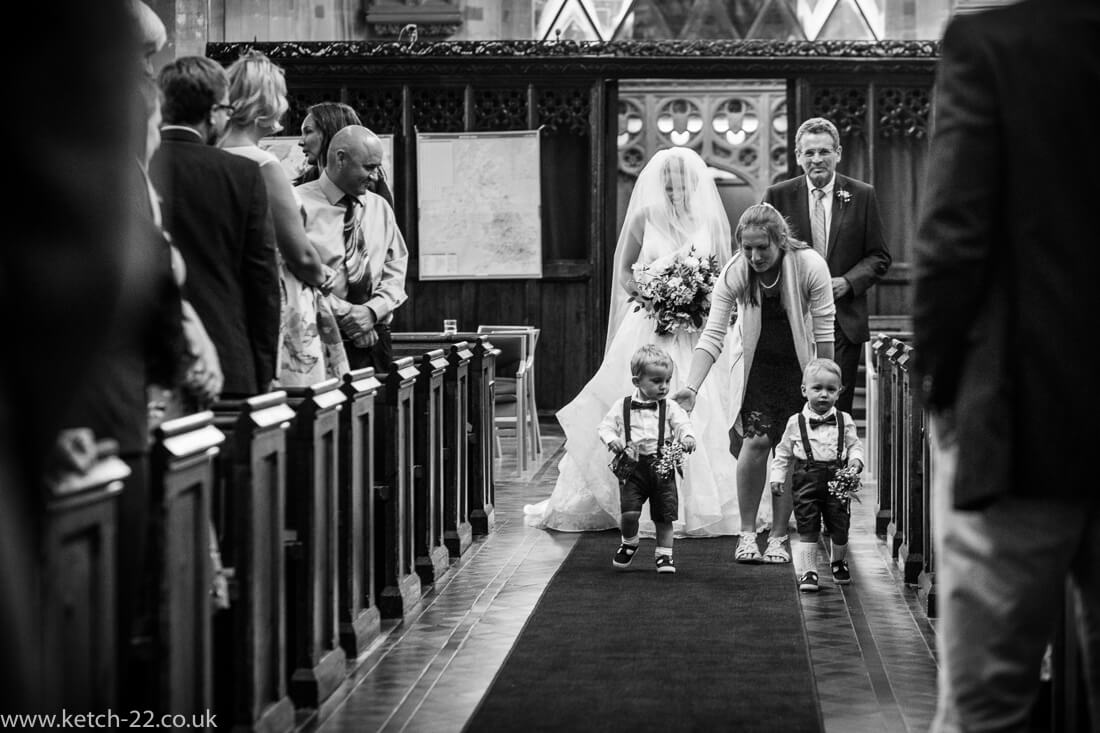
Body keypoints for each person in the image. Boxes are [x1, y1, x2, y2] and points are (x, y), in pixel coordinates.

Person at [912, 2, 1100, 730]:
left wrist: (940, 390)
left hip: (1023, 417)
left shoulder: (996, 45)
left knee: (987, 705)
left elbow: (953, 237)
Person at [525, 147, 741, 538]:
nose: (676, 191)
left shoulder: (710, 219)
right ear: (661, 184)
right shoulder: (645, 216)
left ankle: (701, 504)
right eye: (670, 184)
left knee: (703, 408)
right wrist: (650, 296)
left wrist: (701, 297)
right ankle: (631, 500)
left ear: (694, 183)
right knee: (635, 404)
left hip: (695, 331)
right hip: (652, 326)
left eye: (682, 183)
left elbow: (725, 273)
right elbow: (624, 270)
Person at [673, 203, 835, 565]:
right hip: (756, 366)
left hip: (800, 367)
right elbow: (712, 334)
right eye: (747, 247)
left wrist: (826, 386)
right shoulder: (735, 271)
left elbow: (825, 332)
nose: (754, 255)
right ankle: (747, 533)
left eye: (762, 247)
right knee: (757, 442)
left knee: (791, 451)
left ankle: (779, 536)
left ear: (781, 241)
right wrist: (692, 387)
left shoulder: (810, 266)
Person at [151, 55, 280, 400]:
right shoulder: (242, 175)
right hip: (228, 362)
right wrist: (264, 369)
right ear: (211, 113)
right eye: (225, 108)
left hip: (151, 365)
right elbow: (262, 280)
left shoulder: (137, 167)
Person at [220, 50, 350, 386]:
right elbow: (297, 251)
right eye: (281, 95)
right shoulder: (263, 164)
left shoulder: (212, 157)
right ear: (265, 103)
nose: (285, 103)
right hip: (279, 295)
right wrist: (322, 274)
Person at [763, 117, 891, 417]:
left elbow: (880, 256)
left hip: (843, 318)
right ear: (798, 156)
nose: (816, 159)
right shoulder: (777, 196)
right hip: (792, 317)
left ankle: (833, 464)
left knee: (834, 409)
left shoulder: (862, 195)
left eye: (824, 151)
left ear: (838, 153)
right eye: (809, 153)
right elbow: (763, 254)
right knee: (791, 406)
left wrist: (848, 282)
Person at [298, 124, 410, 374]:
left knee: (382, 411)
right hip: (318, 335)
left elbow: (396, 270)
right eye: (369, 167)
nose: (375, 176)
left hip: (376, 339)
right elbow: (292, 274)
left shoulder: (379, 207)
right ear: (340, 159)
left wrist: (371, 312)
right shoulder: (297, 204)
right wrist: (349, 315)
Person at [768, 358, 863, 593]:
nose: (823, 395)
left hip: (836, 478)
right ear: (804, 390)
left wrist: (855, 460)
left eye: (831, 390)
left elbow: (854, 445)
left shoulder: (844, 420)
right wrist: (777, 477)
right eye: (817, 388)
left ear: (839, 392)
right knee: (807, 525)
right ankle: (808, 571)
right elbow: (782, 453)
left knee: (840, 525)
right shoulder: (795, 422)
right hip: (806, 479)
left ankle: (838, 561)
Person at [601, 345, 696, 574]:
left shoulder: (670, 407)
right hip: (633, 468)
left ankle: (664, 555)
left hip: (661, 467)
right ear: (637, 381)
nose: (663, 387)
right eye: (656, 381)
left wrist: (688, 437)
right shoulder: (622, 405)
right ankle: (630, 541)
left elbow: (682, 424)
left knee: (664, 515)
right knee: (630, 512)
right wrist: (611, 438)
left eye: (667, 381)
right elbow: (605, 426)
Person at [296, 101, 396, 208]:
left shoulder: (377, 196)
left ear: (331, 132)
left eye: (308, 131)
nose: (300, 142)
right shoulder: (299, 191)